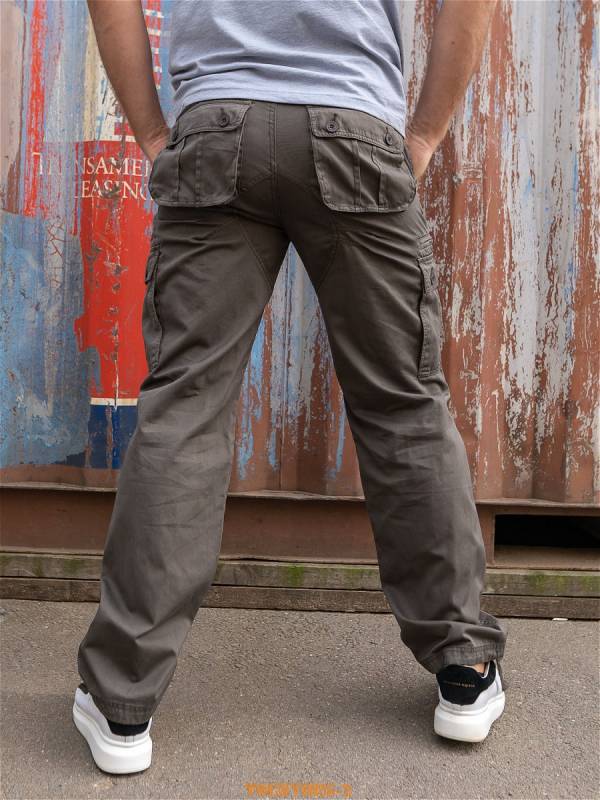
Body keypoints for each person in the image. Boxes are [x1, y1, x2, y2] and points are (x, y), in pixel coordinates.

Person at [73, 0, 507, 774]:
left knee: (184, 411)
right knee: (403, 405)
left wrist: (152, 132)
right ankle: (463, 666)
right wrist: (424, 136)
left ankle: (120, 702)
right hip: (353, 126)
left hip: (216, 127)